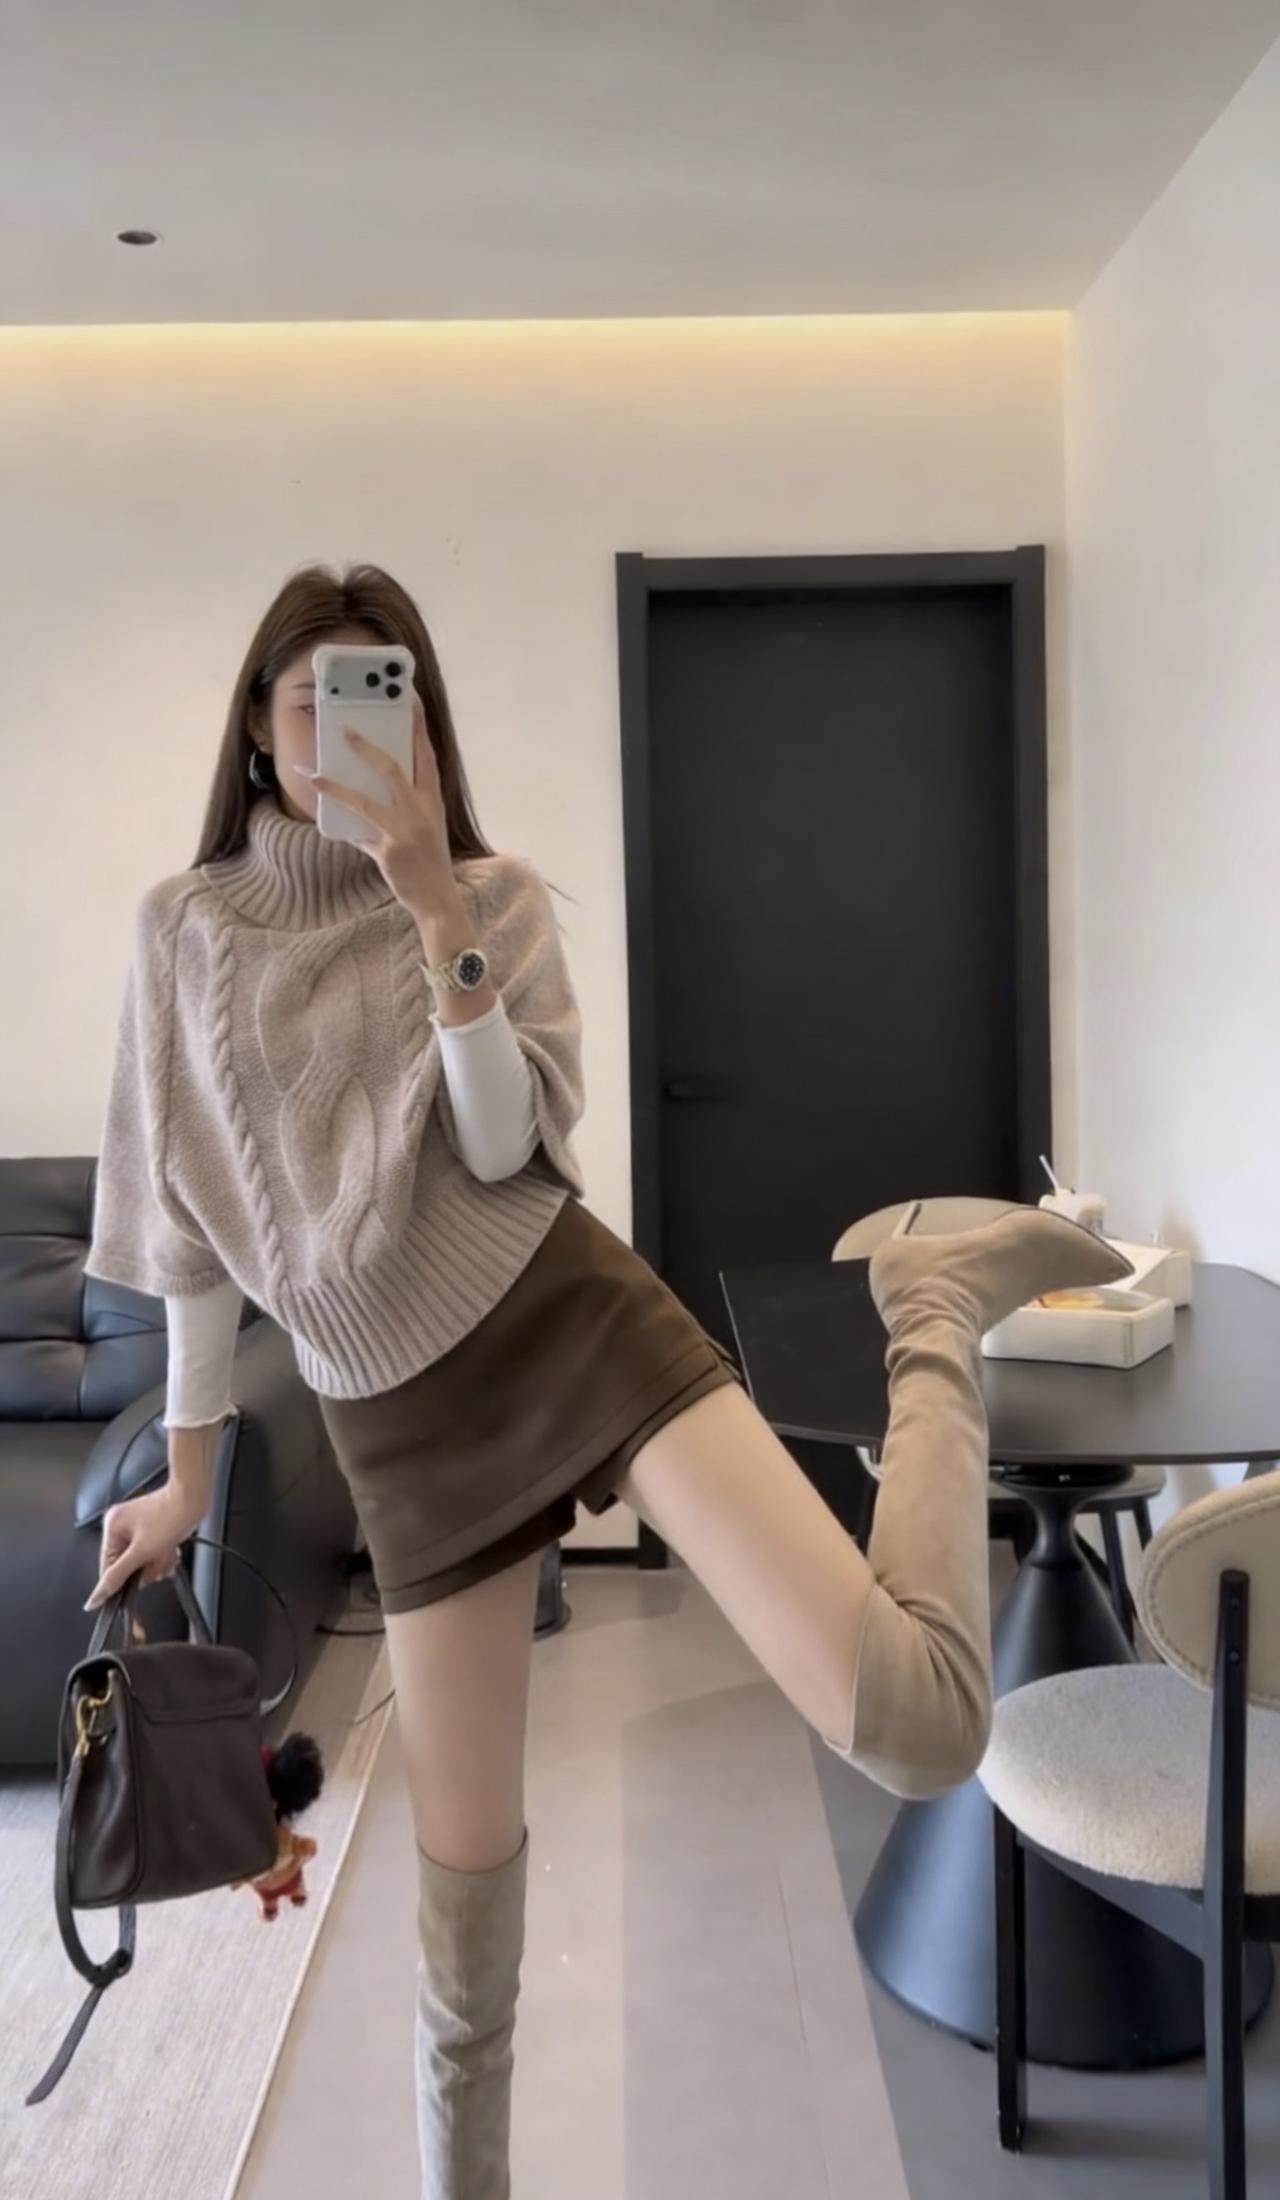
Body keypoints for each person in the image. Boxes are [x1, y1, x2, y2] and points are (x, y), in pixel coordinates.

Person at [81, 562, 1131, 2200]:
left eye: (386, 697)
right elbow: (195, 1240)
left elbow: (508, 1147)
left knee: (922, 1728)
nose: (351, 729)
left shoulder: (487, 896)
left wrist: (435, 914)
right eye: (316, 697)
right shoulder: (181, 935)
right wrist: (189, 1476)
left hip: (569, 1323)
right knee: (462, 1945)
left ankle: (927, 1308)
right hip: (404, 1442)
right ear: (261, 728)